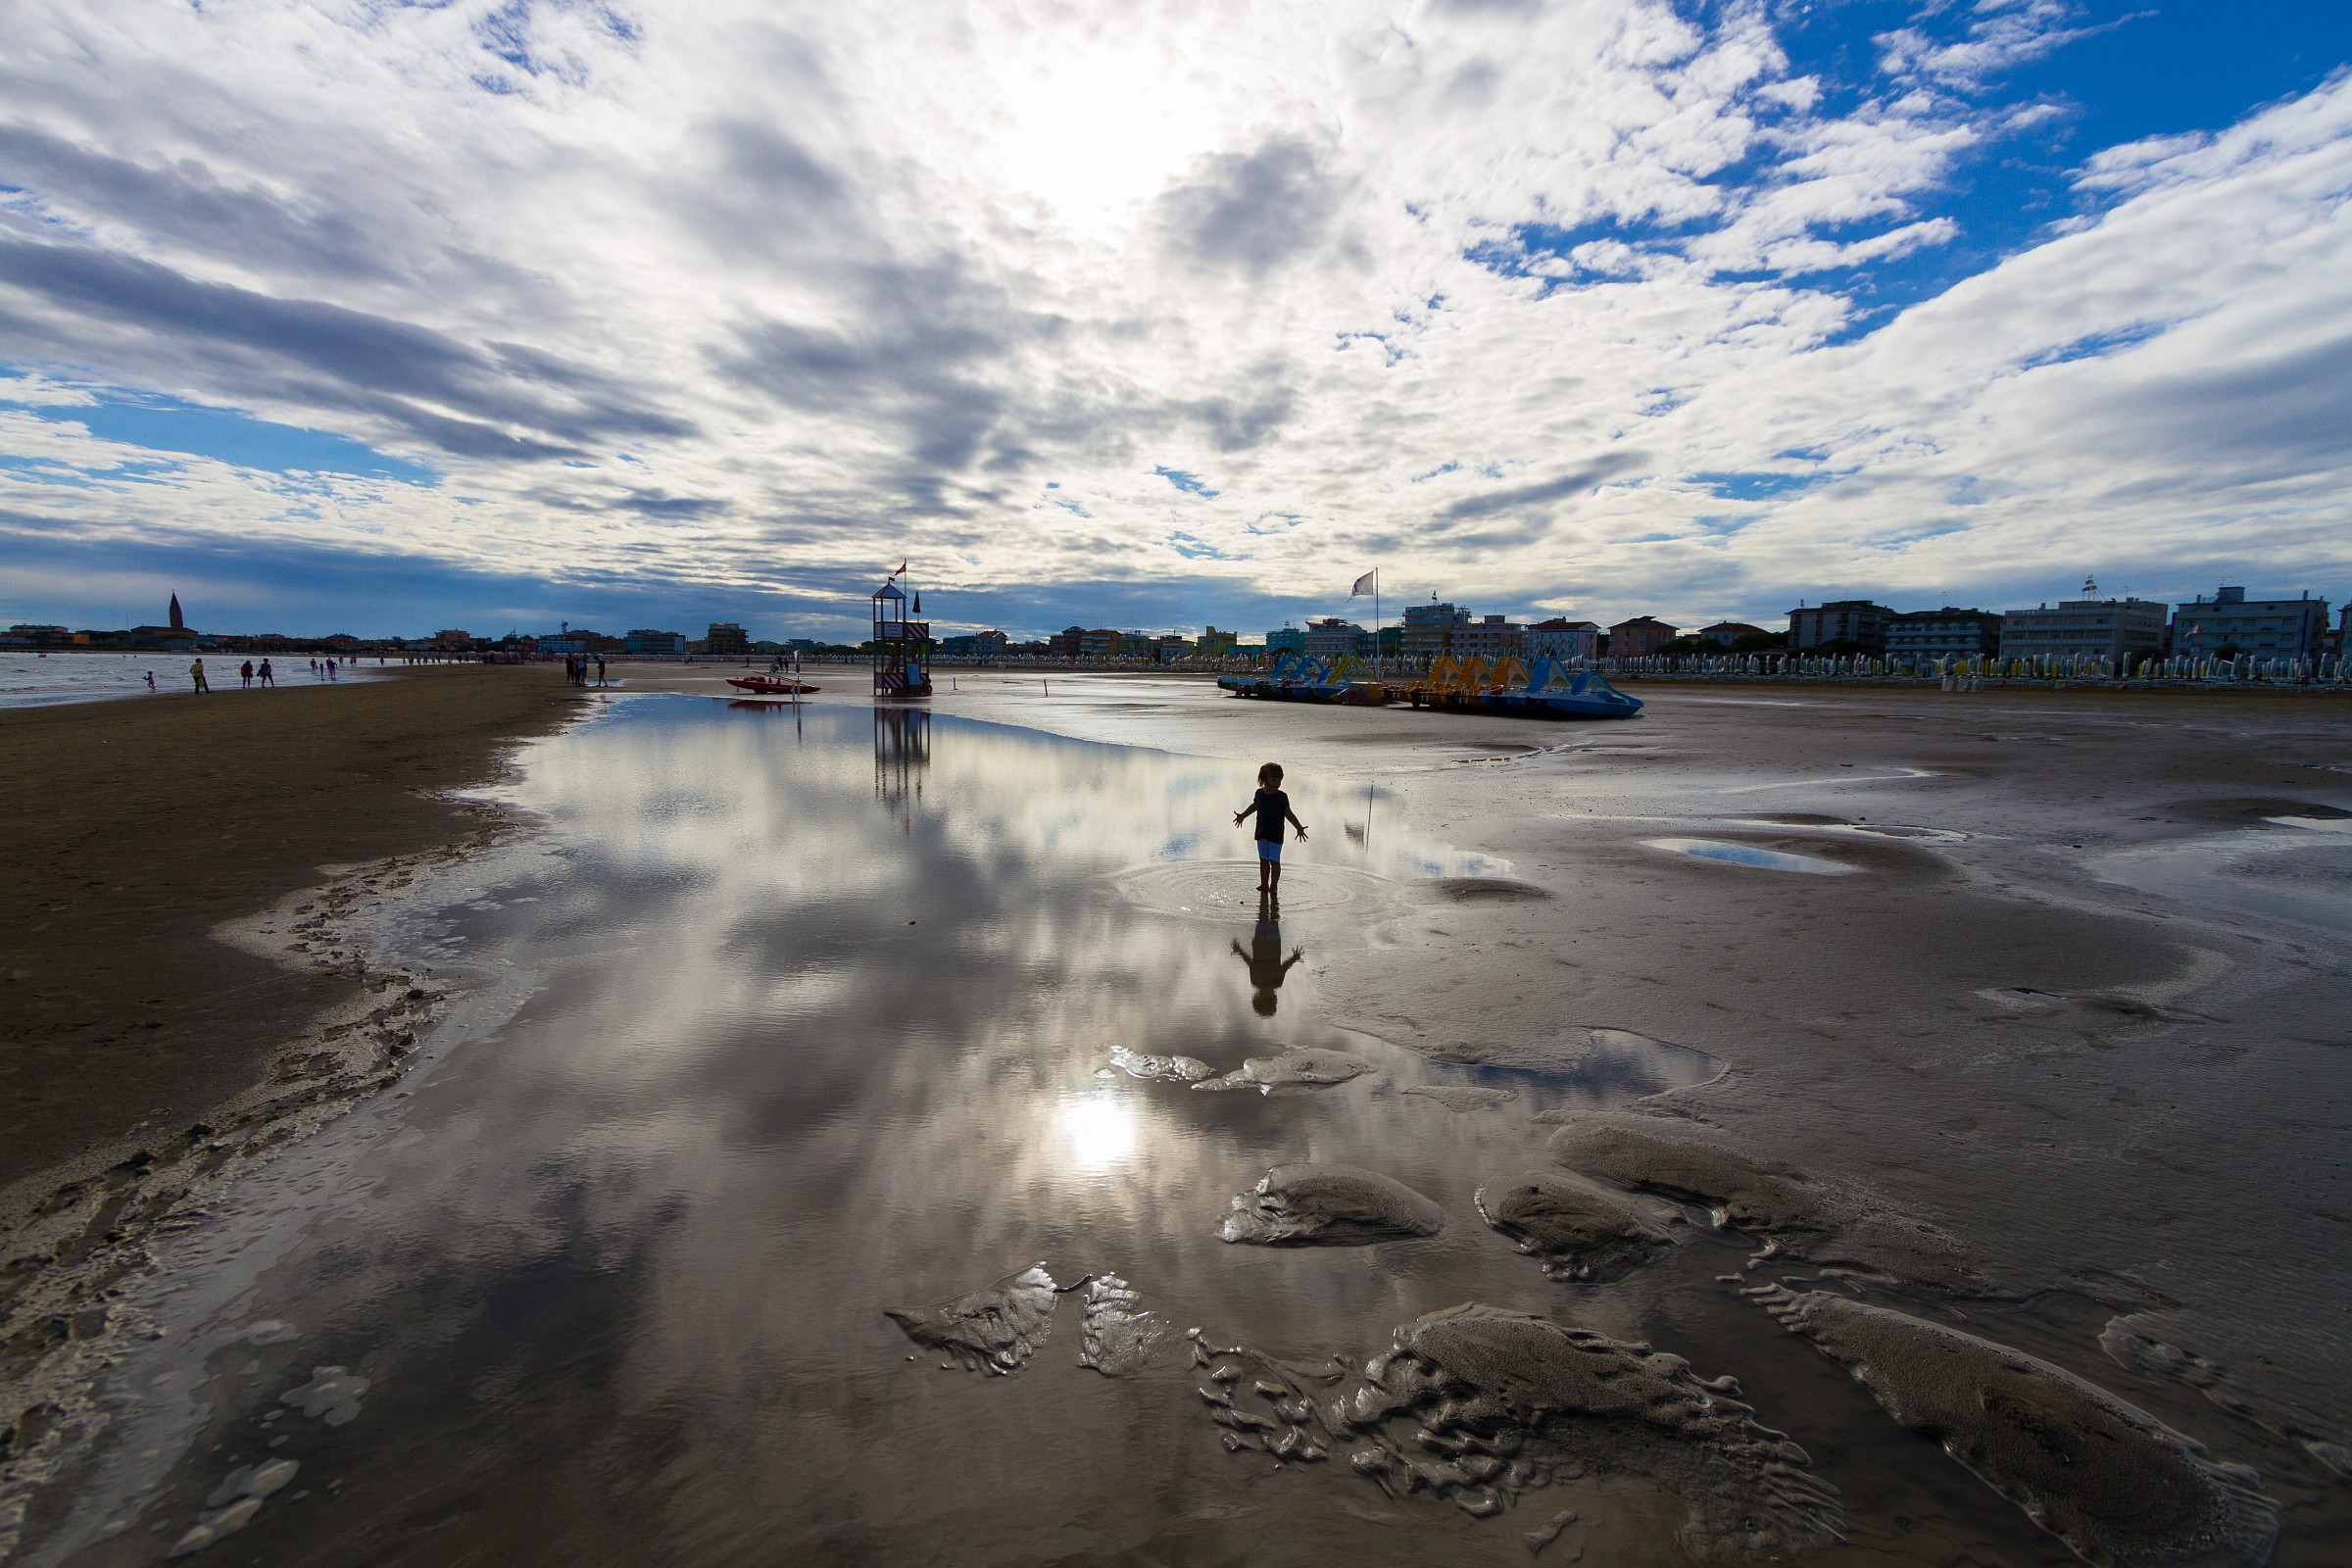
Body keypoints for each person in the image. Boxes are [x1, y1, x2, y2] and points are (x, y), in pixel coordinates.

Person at [1233, 761, 1307, 894]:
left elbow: (1288, 813)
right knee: (1263, 860)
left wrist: (1299, 827)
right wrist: (1243, 815)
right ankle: (1264, 884)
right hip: (1261, 833)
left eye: (1279, 780)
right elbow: (1255, 806)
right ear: (1264, 779)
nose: (1277, 783)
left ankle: (1274, 885)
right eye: (1274, 779)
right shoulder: (1259, 794)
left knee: (1274, 861)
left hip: (1276, 834)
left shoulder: (1281, 797)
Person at [1232, 911, 1304, 1017]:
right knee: (1265, 917)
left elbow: (1252, 964)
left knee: (1270, 918)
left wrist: (1294, 958)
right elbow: (1251, 964)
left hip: (1268, 944)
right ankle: (1269, 895)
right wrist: (1239, 951)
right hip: (1263, 944)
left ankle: (1271, 895)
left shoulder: (1273, 983)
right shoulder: (1258, 981)